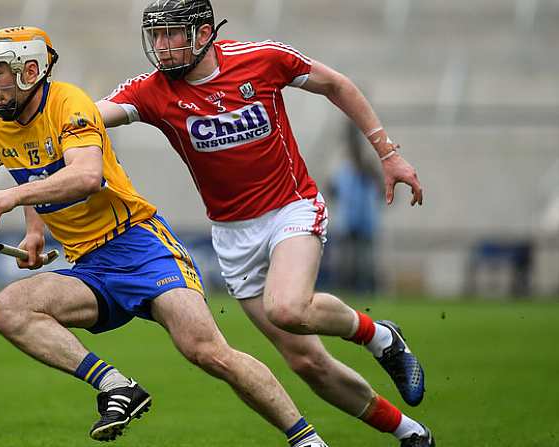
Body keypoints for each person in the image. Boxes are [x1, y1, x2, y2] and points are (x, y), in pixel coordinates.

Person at [0, 26, 328, 446]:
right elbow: (30, 168)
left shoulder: (71, 103)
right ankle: (116, 386)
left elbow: (86, 176)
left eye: (0, 73)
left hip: (141, 246)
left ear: (31, 71)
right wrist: (34, 231)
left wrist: (11, 197)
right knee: (10, 309)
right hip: (90, 267)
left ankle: (306, 440)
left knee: (209, 352)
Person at [96, 1, 433, 446]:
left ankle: (380, 336)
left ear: (203, 34)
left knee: (288, 308)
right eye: (155, 35)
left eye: (172, 34)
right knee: (307, 363)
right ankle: (410, 434)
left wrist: (388, 154)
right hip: (232, 234)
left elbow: (337, 85)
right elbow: (84, 118)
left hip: (291, 207)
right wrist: (28, 133)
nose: (160, 46)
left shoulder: (261, 59)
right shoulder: (151, 90)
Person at [328, 122, 384, 294]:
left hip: (366, 221)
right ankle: (346, 289)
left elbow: (380, 189)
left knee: (364, 260)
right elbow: (332, 189)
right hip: (347, 221)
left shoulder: (368, 169)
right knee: (346, 260)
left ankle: (366, 289)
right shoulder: (344, 170)